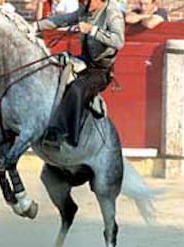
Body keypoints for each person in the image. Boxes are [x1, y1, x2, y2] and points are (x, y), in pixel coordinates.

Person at [34, 0, 125, 149]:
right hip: (84, 61)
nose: (82, 3)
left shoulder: (112, 13)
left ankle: (66, 134)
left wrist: (92, 30)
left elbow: (119, 41)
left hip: (101, 70)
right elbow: (62, 20)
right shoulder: (85, 10)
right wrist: (35, 26)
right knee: (54, 72)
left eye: (85, 0)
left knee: (77, 88)